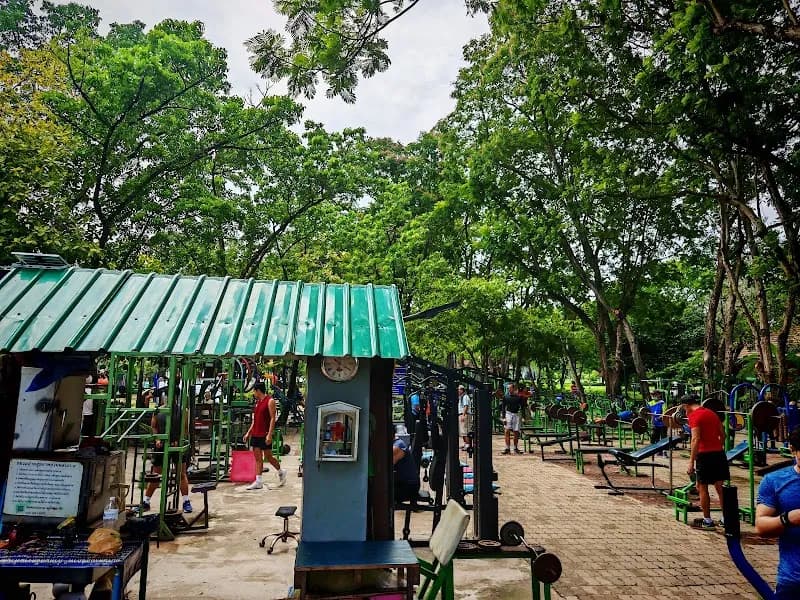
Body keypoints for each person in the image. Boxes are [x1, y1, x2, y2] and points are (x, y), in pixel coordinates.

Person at [755, 426, 800, 599]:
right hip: (793, 582)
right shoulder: (774, 481)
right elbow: (761, 526)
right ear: (793, 450)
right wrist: (788, 518)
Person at [682, 393, 728, 529]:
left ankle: (707, 521)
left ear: (686, 406)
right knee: (720, 488)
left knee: (702, 487)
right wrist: (717, 446)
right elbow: (723, 435)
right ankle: (726, 519)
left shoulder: (694, 416)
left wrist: (691, 461)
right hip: (719, 454)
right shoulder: (712, 413)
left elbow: (695, 439)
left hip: (704, 455)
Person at [142, 393, 193, 513]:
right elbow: (153, 427)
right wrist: (158, 439)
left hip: (177, 445)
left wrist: (178, 440)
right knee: (156, 475)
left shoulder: (182, 411)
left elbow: (185, 429)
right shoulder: (158, 410)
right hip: (161, 446)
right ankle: (146, 501)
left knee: (181, 474)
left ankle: (186, 501)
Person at [243, 382, 286, 490]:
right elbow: (255, 420)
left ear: (258, 391)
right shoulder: (258, 403)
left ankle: (281, 471)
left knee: (268, 457)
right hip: (256, 433)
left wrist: (270, 434)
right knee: (258, 458)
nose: (253, 393)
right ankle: (258, 481)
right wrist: (249, 432)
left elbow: (272, 418)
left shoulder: (270, 401)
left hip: (264, 433)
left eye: (254, 391)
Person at [393, 435, 420, 503]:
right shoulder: (397, 443)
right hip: (403, 484)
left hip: (409, 488)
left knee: (381, 492)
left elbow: (386, 465)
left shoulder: (398, 446)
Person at [501, 383, 524, 455]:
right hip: (508, 414)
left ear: (513, 389)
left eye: (509, 388)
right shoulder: (506, 397)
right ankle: (507, 448)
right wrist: (503, 418)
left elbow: (522, 407)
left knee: (516, 431)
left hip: (516, 414)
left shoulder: (519, 397)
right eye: (507, 388)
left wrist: (523, 417)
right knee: (507, 430)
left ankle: (515, 448)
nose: (508, 389)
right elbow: (503, 407)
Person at [457, 385, 472, 451]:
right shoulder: (461, 397)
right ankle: (465, 443)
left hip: (465, 415)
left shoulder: (465, 397)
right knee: (462, 431)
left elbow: (466, 406)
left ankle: (468, 444)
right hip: (461, 414)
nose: (458, 391)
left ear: (462, 390)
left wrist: (463, 415)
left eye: (459, 389)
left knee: (465, 430)